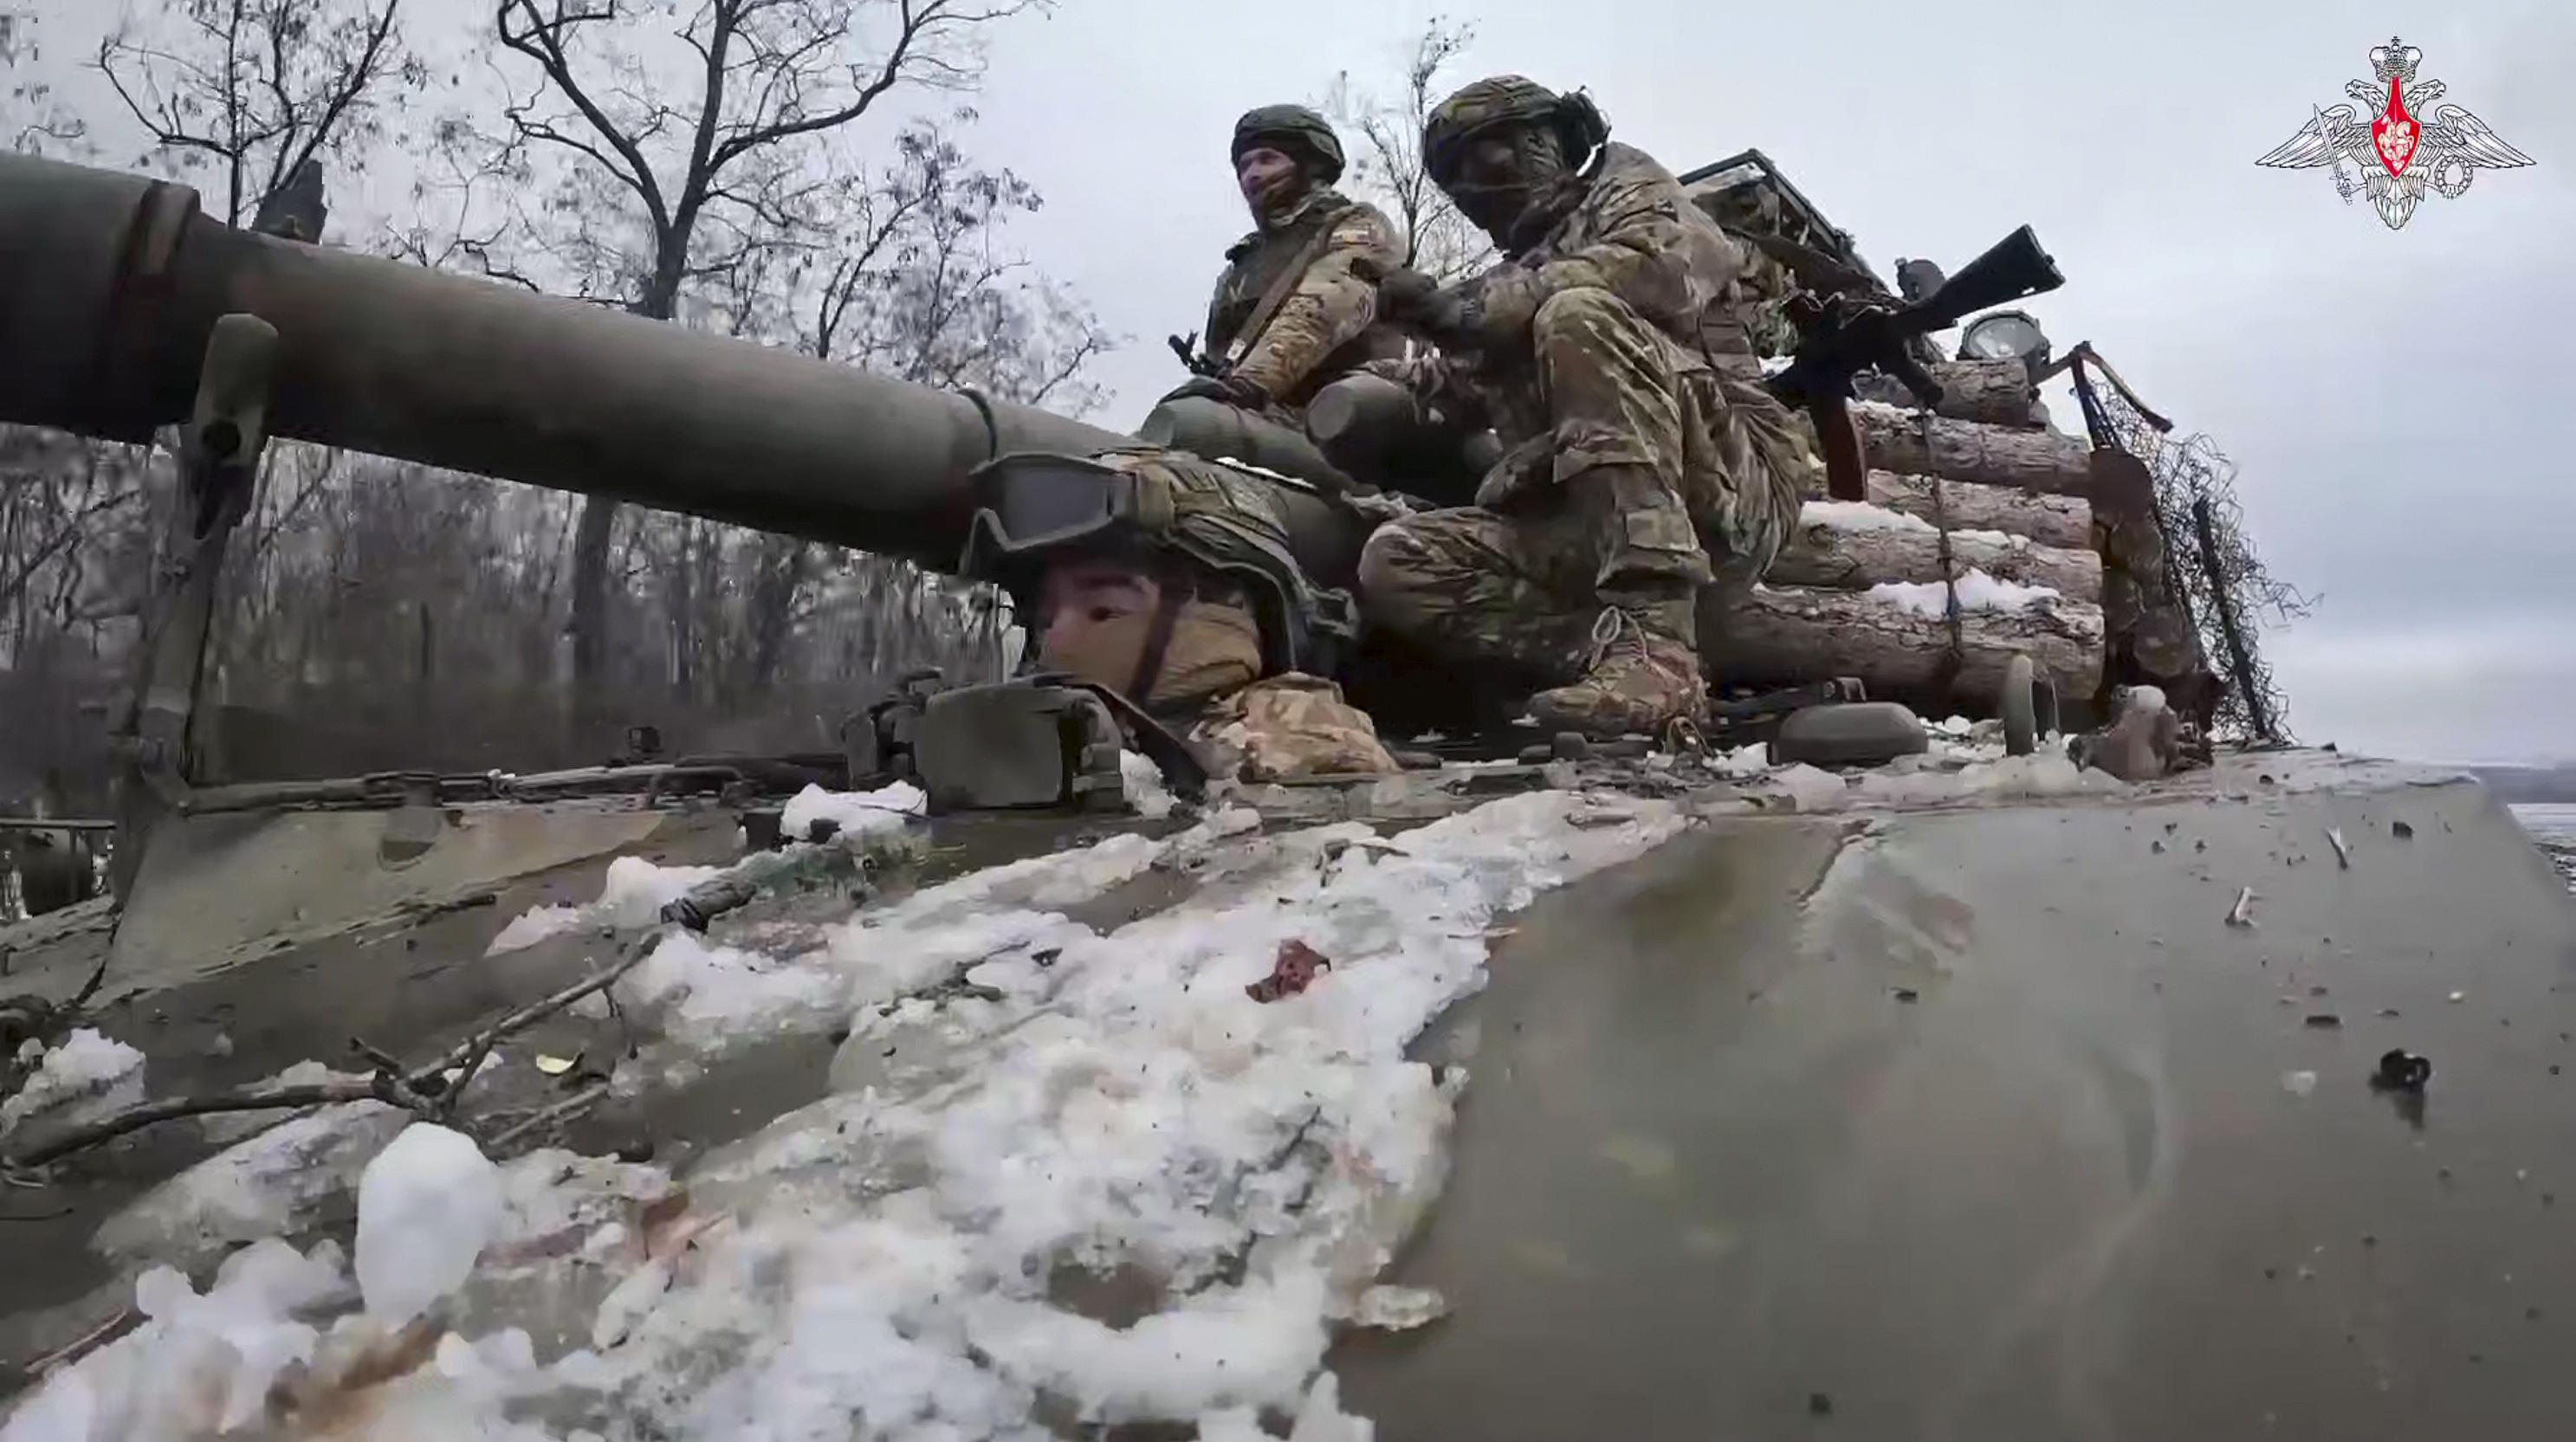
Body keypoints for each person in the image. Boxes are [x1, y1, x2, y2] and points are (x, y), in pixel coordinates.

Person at [1355, 77, 1819, 738]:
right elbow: (1452, 388)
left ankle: (1658, 646)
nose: (1472, 185)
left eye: (1486, 153)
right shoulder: (1511, 279)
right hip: (1586, 529)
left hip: (1729, 493)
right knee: (1396, 557)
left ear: (1550, 139)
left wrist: (1484, 310)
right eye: (1454, 173)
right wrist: (1387, 365)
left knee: (1576, 314)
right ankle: (1613, 652)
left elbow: (1663, 268)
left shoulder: (1630, 187)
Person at [961, 447, 1400, 785]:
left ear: (1223, 621)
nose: (1053, 646)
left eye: (1102, 610)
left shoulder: (1289, 750)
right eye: (1044, 620)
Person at [1168, 106, 1405, 418]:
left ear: (1310, 165)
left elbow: (1327, 304)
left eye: (1267, 159)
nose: (1252, 174)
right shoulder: (1242, 264)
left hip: (1344, 423)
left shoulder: (1356, 227)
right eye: (1244, 165)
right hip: (1251, 417)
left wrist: (1250, 385)